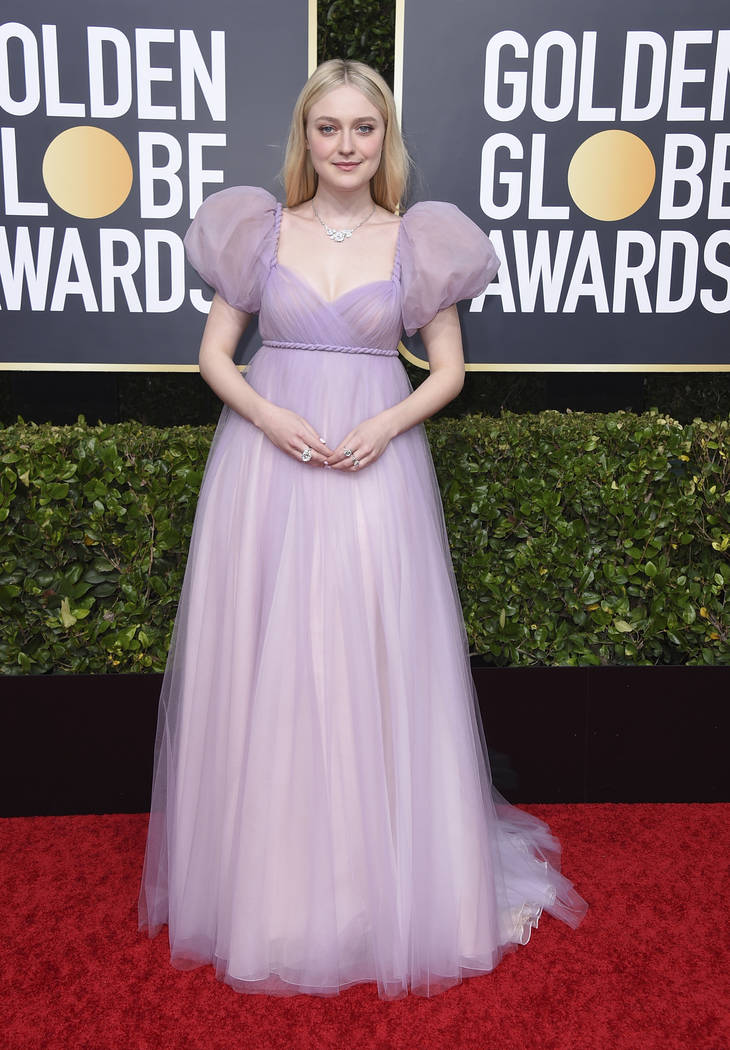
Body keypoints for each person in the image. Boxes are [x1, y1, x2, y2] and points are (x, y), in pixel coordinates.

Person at [137, 57, 588, 1001]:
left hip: (374, 469)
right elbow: (216, 355)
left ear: (386, 140)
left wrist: (384, 426)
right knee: (272, 659)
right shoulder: (257, 233)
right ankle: (272, 886)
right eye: (329, 127)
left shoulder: (419, 244)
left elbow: (448, 371)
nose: (346, 145)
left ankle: (377, 880)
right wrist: (270, 417)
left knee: (366, 656)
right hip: (269, 466)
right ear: (305, 136)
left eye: (364, 129)